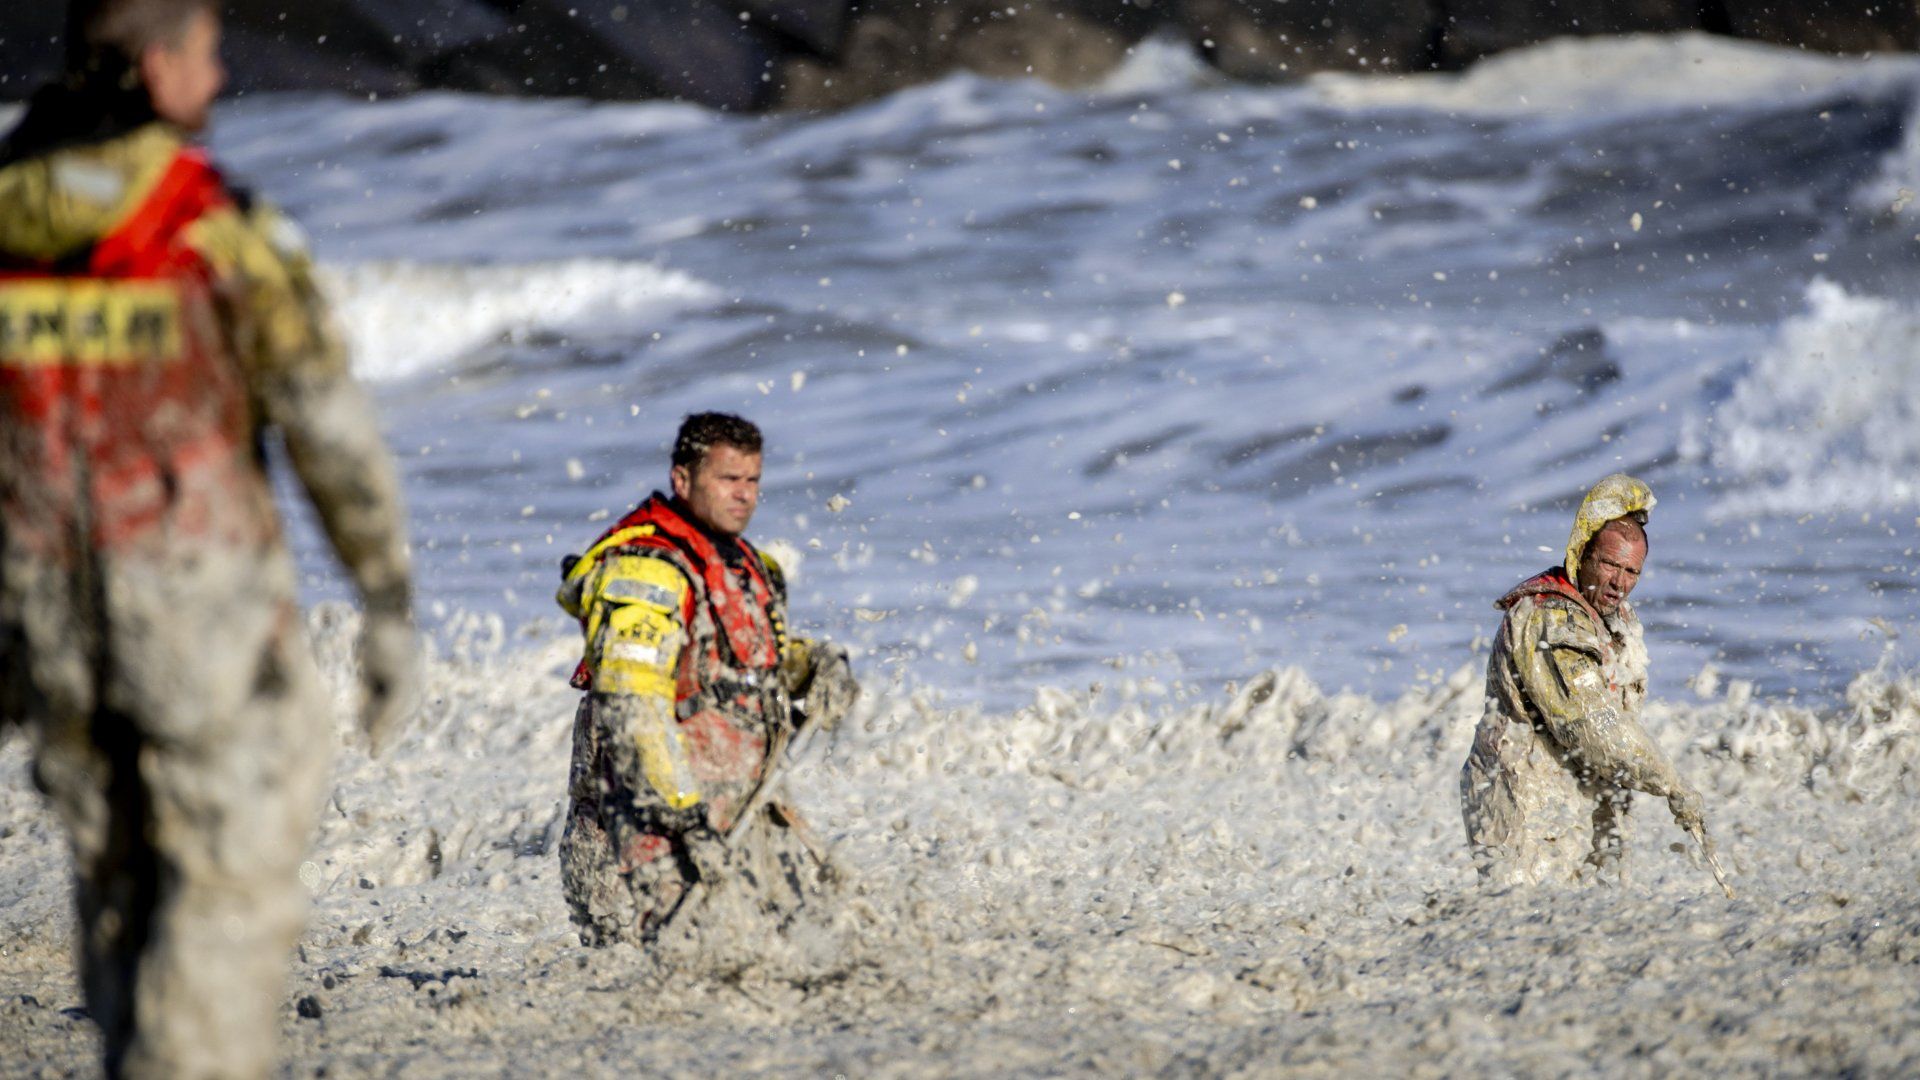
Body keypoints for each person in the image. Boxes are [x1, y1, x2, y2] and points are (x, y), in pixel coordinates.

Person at [0, 1, 418, 1075]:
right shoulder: (208, 223)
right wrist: (385, 598)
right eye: (206, 51)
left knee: (116, 878)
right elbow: (325, 419)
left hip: (42, 611)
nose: (223, 75)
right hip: (195, 607)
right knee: (227, 886)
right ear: (154, 63)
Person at [557, 411, 859, 946]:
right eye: (727, 479)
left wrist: (814, 666)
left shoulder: (748, 565)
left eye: (752, 480)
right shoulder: (645, 571)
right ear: (682, 480)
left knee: (803, 935)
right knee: (661, 962)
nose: (743, 495)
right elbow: (632, 707)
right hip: (651, 817)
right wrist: (682, 815)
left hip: (739, 802)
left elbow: (750, 657)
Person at [1460, 473, 1707, 886]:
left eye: (1632, 571)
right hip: (1521, 794)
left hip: (1579, 793)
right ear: (1582, 554)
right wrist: (1670, 782)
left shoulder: (1612, 619)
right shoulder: (1549, 621)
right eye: (1610, 564)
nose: (1619, 582)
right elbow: (1593, 726)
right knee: (1528, 921)